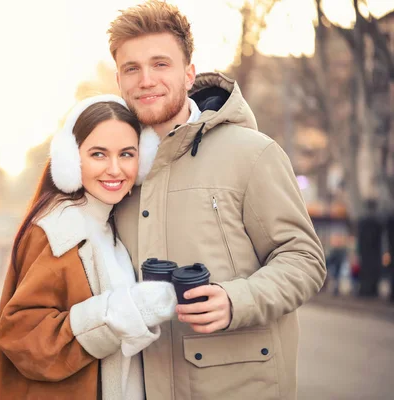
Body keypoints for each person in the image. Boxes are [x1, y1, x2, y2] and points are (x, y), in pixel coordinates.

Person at [108, 2, 327, 399]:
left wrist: (235, 299)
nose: (146, 80)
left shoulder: (253, 153)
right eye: (131, 68)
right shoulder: (114, 171)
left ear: (189, 74)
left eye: (161, 64)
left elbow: (304, 258)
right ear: (119, 80)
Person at [0, 95, 178, 400]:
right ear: (71, 161)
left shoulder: (110, 223)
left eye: (127, 154)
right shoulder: (58, 230)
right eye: (98, 154)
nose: (115, 169)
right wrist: (120, 314)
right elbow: (22, 335)